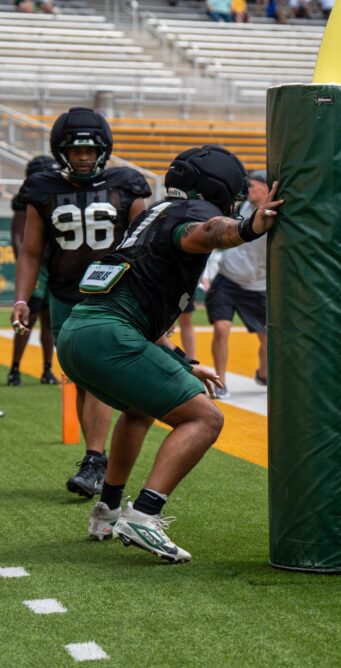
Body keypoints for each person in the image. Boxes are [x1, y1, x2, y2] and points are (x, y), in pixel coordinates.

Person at [55, 145, 282, 562]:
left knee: (139, 410)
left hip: (78, 333)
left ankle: (107, 509)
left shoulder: (153, 213)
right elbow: (208, 232)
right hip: (110, 335)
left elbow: (138, 309)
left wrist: (184, 361)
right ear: (217, 188)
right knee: (205, 417)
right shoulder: (191, 216)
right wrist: (249, 227)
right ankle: (144, 514)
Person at [11, 107, 151, 499]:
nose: (84, 157)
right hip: (66, 294)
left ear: (104, 151)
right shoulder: (43, 188)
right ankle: (97, 459)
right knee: (81, 377)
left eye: (90, 151)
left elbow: (145, 248)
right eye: (76, 151)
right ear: (62, 152)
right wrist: (22, 297)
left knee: (99, 375)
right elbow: (31, 252)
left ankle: (93, 459)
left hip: (116, 295)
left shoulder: (128, 184)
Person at [204, 169, 270, 399]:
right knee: (222, 328)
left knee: (268, 338)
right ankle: (220, 383)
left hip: (257, 285)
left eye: (253, 185)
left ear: (266, 188)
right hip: (228, 279)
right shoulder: (241, 207)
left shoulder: (276, 215)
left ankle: (263, 374)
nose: (248, 189)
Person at [8, 156, 60, 387]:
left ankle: (47, 369)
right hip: (38, 267)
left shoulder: (56, 196)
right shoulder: (26, 199)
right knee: (30, 316)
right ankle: (15, 369)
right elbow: (19, 236)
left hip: (54, 264)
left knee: (50, 320)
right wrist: (28, 264)